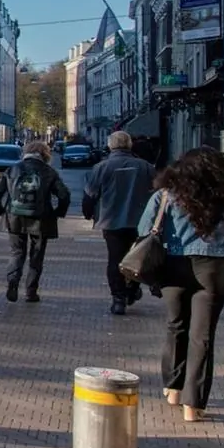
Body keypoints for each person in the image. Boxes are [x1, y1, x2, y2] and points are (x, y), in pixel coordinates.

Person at [139, 147, 224, 421]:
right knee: (203, 336)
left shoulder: (166, 195)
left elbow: (144, 229)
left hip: (174, 266)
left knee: (176, 326)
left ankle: (173, 389)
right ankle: (193, 405)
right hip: (213, 267)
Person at [84, 130, 155, 315]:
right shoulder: (145, 166)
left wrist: (88, 212)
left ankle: (118, 299)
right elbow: (157, 193)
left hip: (112, 221)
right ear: (130, 145)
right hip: (140, 222)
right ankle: (132, 289)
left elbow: (90, 194)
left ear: (110, 145)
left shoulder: (101, 167)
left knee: (115, 259)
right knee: (138, 257)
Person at [0, 140, 70, 303]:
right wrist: (58, 213)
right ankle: (31, 292)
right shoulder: (49, 171)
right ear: (45, 154)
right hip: (41, 219)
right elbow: (64, 195)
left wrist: (0, 211)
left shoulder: (13, 169)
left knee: (17, 252)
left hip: (14, 217)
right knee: (37, 255)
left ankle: (13, 280)